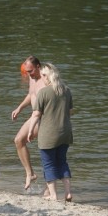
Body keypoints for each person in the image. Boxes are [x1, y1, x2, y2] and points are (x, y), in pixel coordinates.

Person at [27, 63, 73, 202]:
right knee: (62, 162)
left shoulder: (43, 92)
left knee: (49, 164)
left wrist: (30, 131)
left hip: (48, 134)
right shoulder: (66, 90)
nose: (42, 79)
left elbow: (36, 115)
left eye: (42, 76)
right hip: (65, 133)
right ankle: (68, 193)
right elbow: (70, 112)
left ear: (47, 76)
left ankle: (53, 195)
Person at [11, 56, 44, 190]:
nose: (29, 74)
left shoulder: (46, 79)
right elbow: (31, 95)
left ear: (38, 67)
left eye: (30, 71)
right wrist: (19, 108)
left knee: (46, 151)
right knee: (18, 140)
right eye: (27, 71)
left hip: (44, 117)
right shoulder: (32, 78)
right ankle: (30, 173)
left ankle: (50, 187)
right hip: (34, 115)